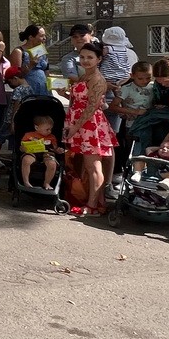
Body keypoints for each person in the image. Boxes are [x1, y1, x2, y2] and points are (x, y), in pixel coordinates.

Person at [65, 41, 117, 214]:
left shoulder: (97, 79)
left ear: (99, 59)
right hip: (82, 123)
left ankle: (92, 205)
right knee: (90, 166)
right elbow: (81, 100)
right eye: (82, 57)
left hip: (90, 125)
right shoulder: (85, 76)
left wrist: (75, 127)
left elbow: (91, 107)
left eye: (90, 57)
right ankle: (99, 203)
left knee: (93, 166)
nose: (85, 60)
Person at [109, 60, 155, 172]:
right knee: (132, 148)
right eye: (140, 78)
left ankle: (146, 171)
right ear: (132, 76)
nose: (145, 81)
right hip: (132, 125)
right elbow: (113, 106)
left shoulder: (153, 87)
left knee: (148, 148)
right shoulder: (127, 88)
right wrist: (134, 111)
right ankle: (130, 171)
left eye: (148, 78)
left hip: (149, 123)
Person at [18, 114, 59, 190]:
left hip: (47, 153)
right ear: (37, 127)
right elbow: (22, 146)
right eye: (47, 129)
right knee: (26, 160)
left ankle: (47, 183)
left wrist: (58, 150)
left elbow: (55, 148)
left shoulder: (52, 137)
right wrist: (23, 148)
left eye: (51, 129)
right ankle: (26, 182)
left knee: (52, 164)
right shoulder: (29, 135)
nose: (49, 131)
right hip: (32, 152)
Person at [9, 24, 51, 97]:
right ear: (31, 37)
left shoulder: (41, 51)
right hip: (28, 92)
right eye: (41, 36)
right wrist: (30, 65)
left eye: (45, 36)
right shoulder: (19, 51)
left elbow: (47, 73)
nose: (44, 38)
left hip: (44, 91)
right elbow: (16, 76)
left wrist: (54, 86)